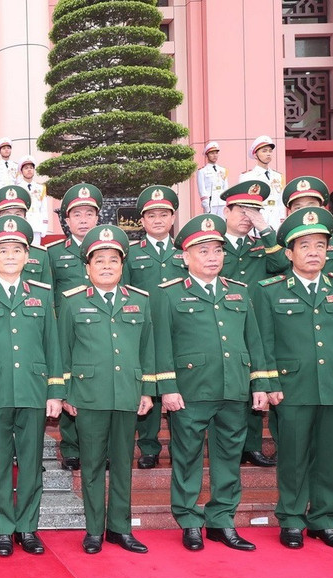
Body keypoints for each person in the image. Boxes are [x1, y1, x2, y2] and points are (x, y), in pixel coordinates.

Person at [153, 214, 270, 552]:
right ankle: (189, 520)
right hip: (190, 391)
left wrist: (258, 383)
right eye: (203, 251)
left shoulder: (238, 291)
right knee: (187, 457)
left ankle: (222, 521)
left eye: (217, 250)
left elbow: (254, 341)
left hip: (233, 388)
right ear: (186, 257)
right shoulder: (169, 294)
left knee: (229, 458)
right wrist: (168, 388)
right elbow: (162, 344)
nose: (212, 257)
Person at [252, 208, 333, 551]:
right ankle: (293, 520)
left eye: (320, 245)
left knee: (329, 457)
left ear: (330, 251)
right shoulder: (270, 291)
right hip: (292, 388)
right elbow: (264, 342)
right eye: (305, 245)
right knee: (294, 457)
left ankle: (325, 521)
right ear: (289, 253)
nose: (314, 252)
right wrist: (269, 384)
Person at [0, 215, 64, 557]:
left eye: (16, 250)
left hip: (34, 390)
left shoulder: (41, 294)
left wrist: (55, 392)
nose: (9, 256)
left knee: (32, 463)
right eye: (2, 250)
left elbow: (53, 346)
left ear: (27, 257)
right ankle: (3, 529)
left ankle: (27, 528)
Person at [59, 224, 155, 555]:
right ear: (87, 267)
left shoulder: (140, 302)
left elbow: (148, 350)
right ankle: (94, 530)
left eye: (113, 260)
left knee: (123, 463)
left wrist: (147, 390)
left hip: (127, 392)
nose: (106, 266)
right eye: (99, 261)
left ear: (122, 264)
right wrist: (67, 392)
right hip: (89, 395)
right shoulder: (72, 303)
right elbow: (64, 351)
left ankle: (120, 528)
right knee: (93, 465)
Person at [219, 180, 289, 467]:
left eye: (255, 213)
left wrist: (266, 227)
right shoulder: (213, 244)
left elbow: (284, 265)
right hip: (223, 327)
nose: (248, 218)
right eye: (243, 211)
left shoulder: (263, 246)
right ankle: (231, 446)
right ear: (226, 211)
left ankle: (252, 446)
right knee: (232, 387)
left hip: (257, 325)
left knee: (256, 383)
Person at [122, 186, 187, 469]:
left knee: (179, 388)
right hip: (144, 331)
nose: (158, 220)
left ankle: (180, 446)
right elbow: (123, 291)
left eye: (164, 214)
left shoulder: (185, 252)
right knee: (147, 385)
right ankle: (149, 447)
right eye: (152, 215)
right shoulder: (131, 254)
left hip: (181, 331)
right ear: (143, 221)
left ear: (173, 218)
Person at [46, 183, 103, 471]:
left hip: (102, 330)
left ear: (97, 218)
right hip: (68, 330)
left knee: (98, 386)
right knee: (69, 384)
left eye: (89, 213)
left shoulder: (109, 249)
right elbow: (49, 293)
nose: (83, 219)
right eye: (76, 214)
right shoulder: (53, 253)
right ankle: (71, 447)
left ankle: (98, 449)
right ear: (66, 220)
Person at [0, 185, 53, 286]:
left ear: (25, 218)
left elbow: (47, 294)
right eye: (6, 214)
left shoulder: (41, 255)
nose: (12, 219)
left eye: (18, 215)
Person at [280, 177, 333, 277]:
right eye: (298, 208)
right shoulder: (281, 242)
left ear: (322, 208)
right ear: (289, 213)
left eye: (311, 205)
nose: (305, 211)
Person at [239, 136, 284, 230]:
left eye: (270, 151)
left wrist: (282, 218)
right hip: (258, 218)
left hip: (276, 219)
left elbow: (280, 201)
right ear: (255, 155)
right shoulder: (247, 176)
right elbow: (244, 204)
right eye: (264, 151)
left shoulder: (278, 176)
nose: (268, 154)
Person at [16, 155, 50, 242]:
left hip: (36, 224)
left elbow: (44, 208)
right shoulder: (17, 188)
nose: (29, 170)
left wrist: (44, 225)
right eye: (26, 168)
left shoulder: (41, 187)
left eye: (31, 167)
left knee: (36, 252)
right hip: (22, 225)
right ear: (21, 171)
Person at [196, 142, 228, 216]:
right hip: (210, 203)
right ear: (207, 155)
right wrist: (206, 204)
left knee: (222, 224)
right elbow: (202, 189)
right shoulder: (202, 171)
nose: (215, 155)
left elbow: (225, 187)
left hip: (222, 202)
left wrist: (226, 201)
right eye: (212, 153)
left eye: (216, 153)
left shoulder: (222, 170)